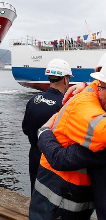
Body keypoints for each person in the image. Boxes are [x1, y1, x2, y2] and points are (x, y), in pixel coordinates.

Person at [29, 52, 106, 220]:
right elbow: (63, 157)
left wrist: (43, 132)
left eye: (100, 84)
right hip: (58, 195)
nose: (97, 87)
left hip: (79, 195)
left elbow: (100, 131)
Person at [22, 58, 73, 194]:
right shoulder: (65, 105)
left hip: (33, 157)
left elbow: (25, 129)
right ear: (65, 80)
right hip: (51, 162)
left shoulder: (33, 100)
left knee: (35, 196)